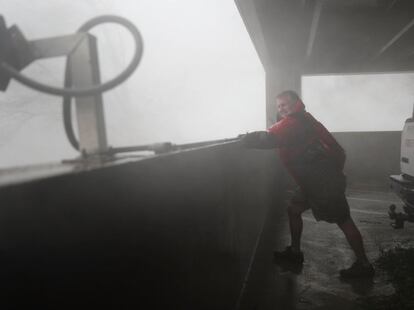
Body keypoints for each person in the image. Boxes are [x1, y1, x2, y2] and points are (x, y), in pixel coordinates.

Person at [242, 90, 374, 278]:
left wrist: (245, 139)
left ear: (296, 102)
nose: (281, 108)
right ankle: (295, 253)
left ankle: (364, 265)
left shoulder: (294, 122)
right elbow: (335, 150)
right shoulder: (306, 118)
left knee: (344, 220)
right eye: (278, 106)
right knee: (293, 210)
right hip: (313, 182)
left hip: (322, 183)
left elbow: (268, 138)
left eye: (285, 104)